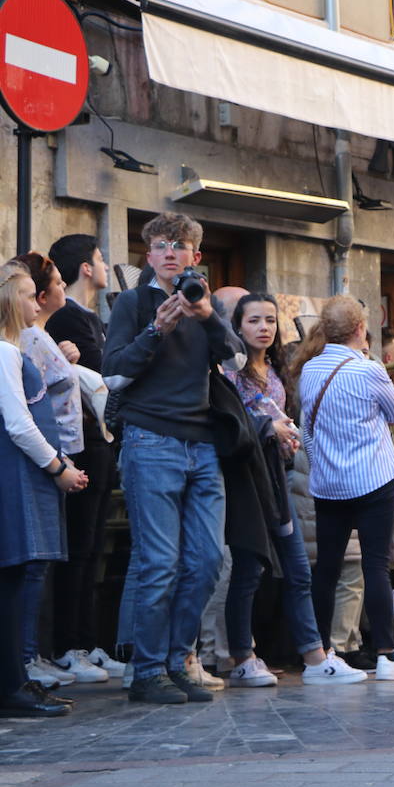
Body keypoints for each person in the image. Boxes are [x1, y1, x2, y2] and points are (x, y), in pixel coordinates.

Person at [103, 214, 247, 704]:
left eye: (179, 245)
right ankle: (148, 671)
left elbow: (236, 361)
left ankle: (176, 660)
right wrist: (154, 332)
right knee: (159, 562)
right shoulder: (132, 301)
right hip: (151, 440)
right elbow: (114, 376)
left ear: (195, 257)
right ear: (149, 256)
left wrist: (207, 315)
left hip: (202, 443)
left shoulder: (205, 306)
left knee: (207, 560)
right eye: (161, 245)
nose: (170, 252)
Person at [222, 293, 367, 687]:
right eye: (254, 320)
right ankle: (241, 655)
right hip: (246, 482)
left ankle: (315, 656)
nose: (264, 327)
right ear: (237, 327)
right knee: (249, 569)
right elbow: (229, 428)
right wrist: (268, 430)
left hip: (278, 476)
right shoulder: (228, 373)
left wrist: (285, 438)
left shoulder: (277, 369)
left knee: (299, 569)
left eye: (270, 320)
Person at [298, 296, 394, 680]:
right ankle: (385, 654)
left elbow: (307, 427)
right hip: (372, 479)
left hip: (329, 483)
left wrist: (321, 467)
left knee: (327, 570)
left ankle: (321, 654)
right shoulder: (368, 370)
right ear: (360, 329)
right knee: (376, 565)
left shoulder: (310, 370)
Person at [0, 261, 87, 717]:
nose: (38, 302)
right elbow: (19, 423)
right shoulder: (5, 352)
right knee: (19, 576)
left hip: (21, 470)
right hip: (18, 473)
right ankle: (14, 684)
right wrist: (59, 468)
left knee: (18, 577)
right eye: (31, 294)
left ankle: (16, 681)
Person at [44, 235, 123, 684]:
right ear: (86, 268)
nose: (106, 263)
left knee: (93, 547)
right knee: (77, 547)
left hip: (102, 442)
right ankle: (67, 645)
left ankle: (88, 641)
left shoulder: (93, 317)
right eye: (99, 257)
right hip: (79, 445)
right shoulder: (66, 319)